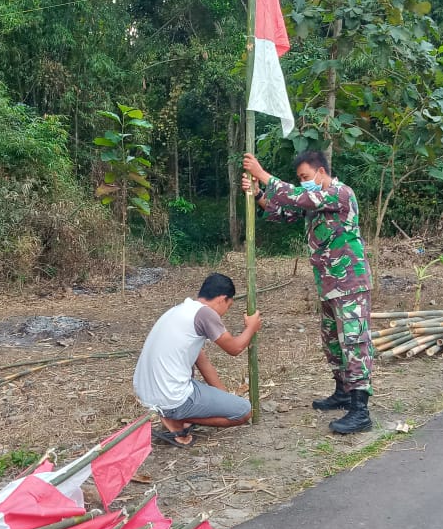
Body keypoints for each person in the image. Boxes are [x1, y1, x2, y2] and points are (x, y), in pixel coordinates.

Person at [241, 150, 374, 434]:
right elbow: (284, 213)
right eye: (300, 179)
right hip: (328, 283)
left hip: (350, 281)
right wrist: (257, 195)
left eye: (305, 177)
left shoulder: (340, 193)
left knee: (354, 342)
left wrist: (263, 174)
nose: (303, 183)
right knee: (333, 341)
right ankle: (342, 392)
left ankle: (360, 410)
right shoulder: (315, 201)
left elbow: (297, 197)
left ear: (321, 172)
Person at [133, 273, 261, 448]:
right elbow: (235, 348)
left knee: (229, 403)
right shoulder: (205, 314)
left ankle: (174, 413)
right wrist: (251, 327)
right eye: (228, 306)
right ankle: (176, 418)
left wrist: (224, 398)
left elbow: (202, 361)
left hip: (150, 392)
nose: (225, 312)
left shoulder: (180, 310)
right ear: (223, 299)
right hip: (172, 397)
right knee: (243, 411)